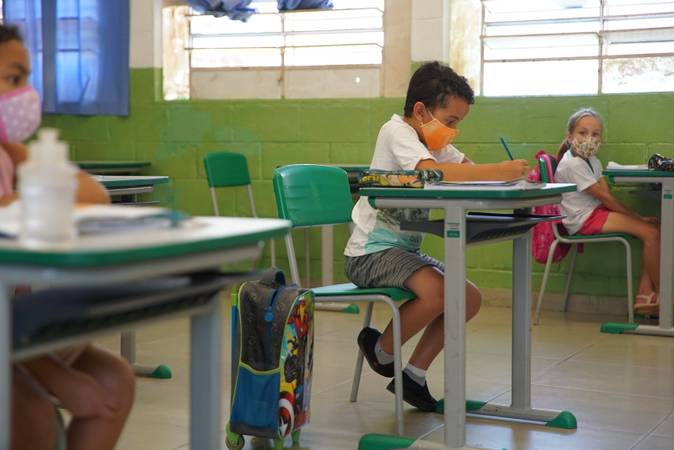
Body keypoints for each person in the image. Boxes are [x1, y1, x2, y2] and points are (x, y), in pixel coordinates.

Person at [343, 61, 529, 411]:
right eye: (450, 121)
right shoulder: (396, 131)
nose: (453, 131)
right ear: (420, 111)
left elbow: (467, 170)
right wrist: (501, 169)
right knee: (440, 292)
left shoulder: (433, 142)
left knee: (468, 298)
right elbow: (431, 174)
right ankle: (381, 350)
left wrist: (507, 176)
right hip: (370, 253)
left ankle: (413, 376)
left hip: (403, 254)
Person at [0, 24, 135, 450]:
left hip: (13, 325)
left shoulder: (8, 157)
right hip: (8, 332)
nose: (26, 94)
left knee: (113, 379)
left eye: (26, 80)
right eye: (13, 79)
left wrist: (24, 158)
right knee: (30, 409)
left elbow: (94, 196)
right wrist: (55, 376)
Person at [554, 107, 661, 315]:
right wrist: (638, 217)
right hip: (583, 219)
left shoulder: (593, 161)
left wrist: (638, 219)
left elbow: (605, 194)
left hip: (595, 212)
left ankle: (645, 294)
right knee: (651, 233)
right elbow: (606, 198)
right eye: (582, 133)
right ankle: (664, 295)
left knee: (656, 228)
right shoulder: (573, 164)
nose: (589, 139)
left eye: (595, 134)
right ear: (570, 136)